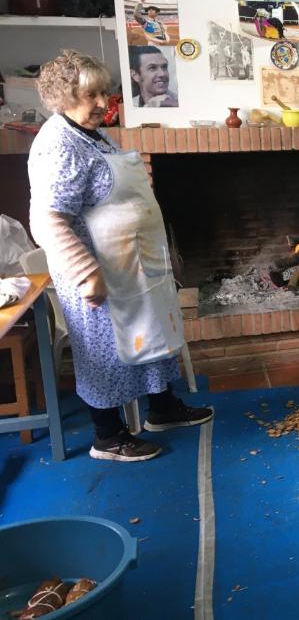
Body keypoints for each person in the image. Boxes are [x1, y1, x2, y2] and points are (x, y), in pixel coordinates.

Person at [28, 50, 212, 462]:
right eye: (91, 95)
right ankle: (108, 436)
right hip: (98, 272)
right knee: (104, 353)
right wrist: (85, 272)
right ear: (62, 95)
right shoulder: (58, 144)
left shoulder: (91, 132)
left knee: (149, 336)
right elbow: (47, 219)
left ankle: (162, 409)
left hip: (131, 264)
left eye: (104, 94)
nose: (102, 104)